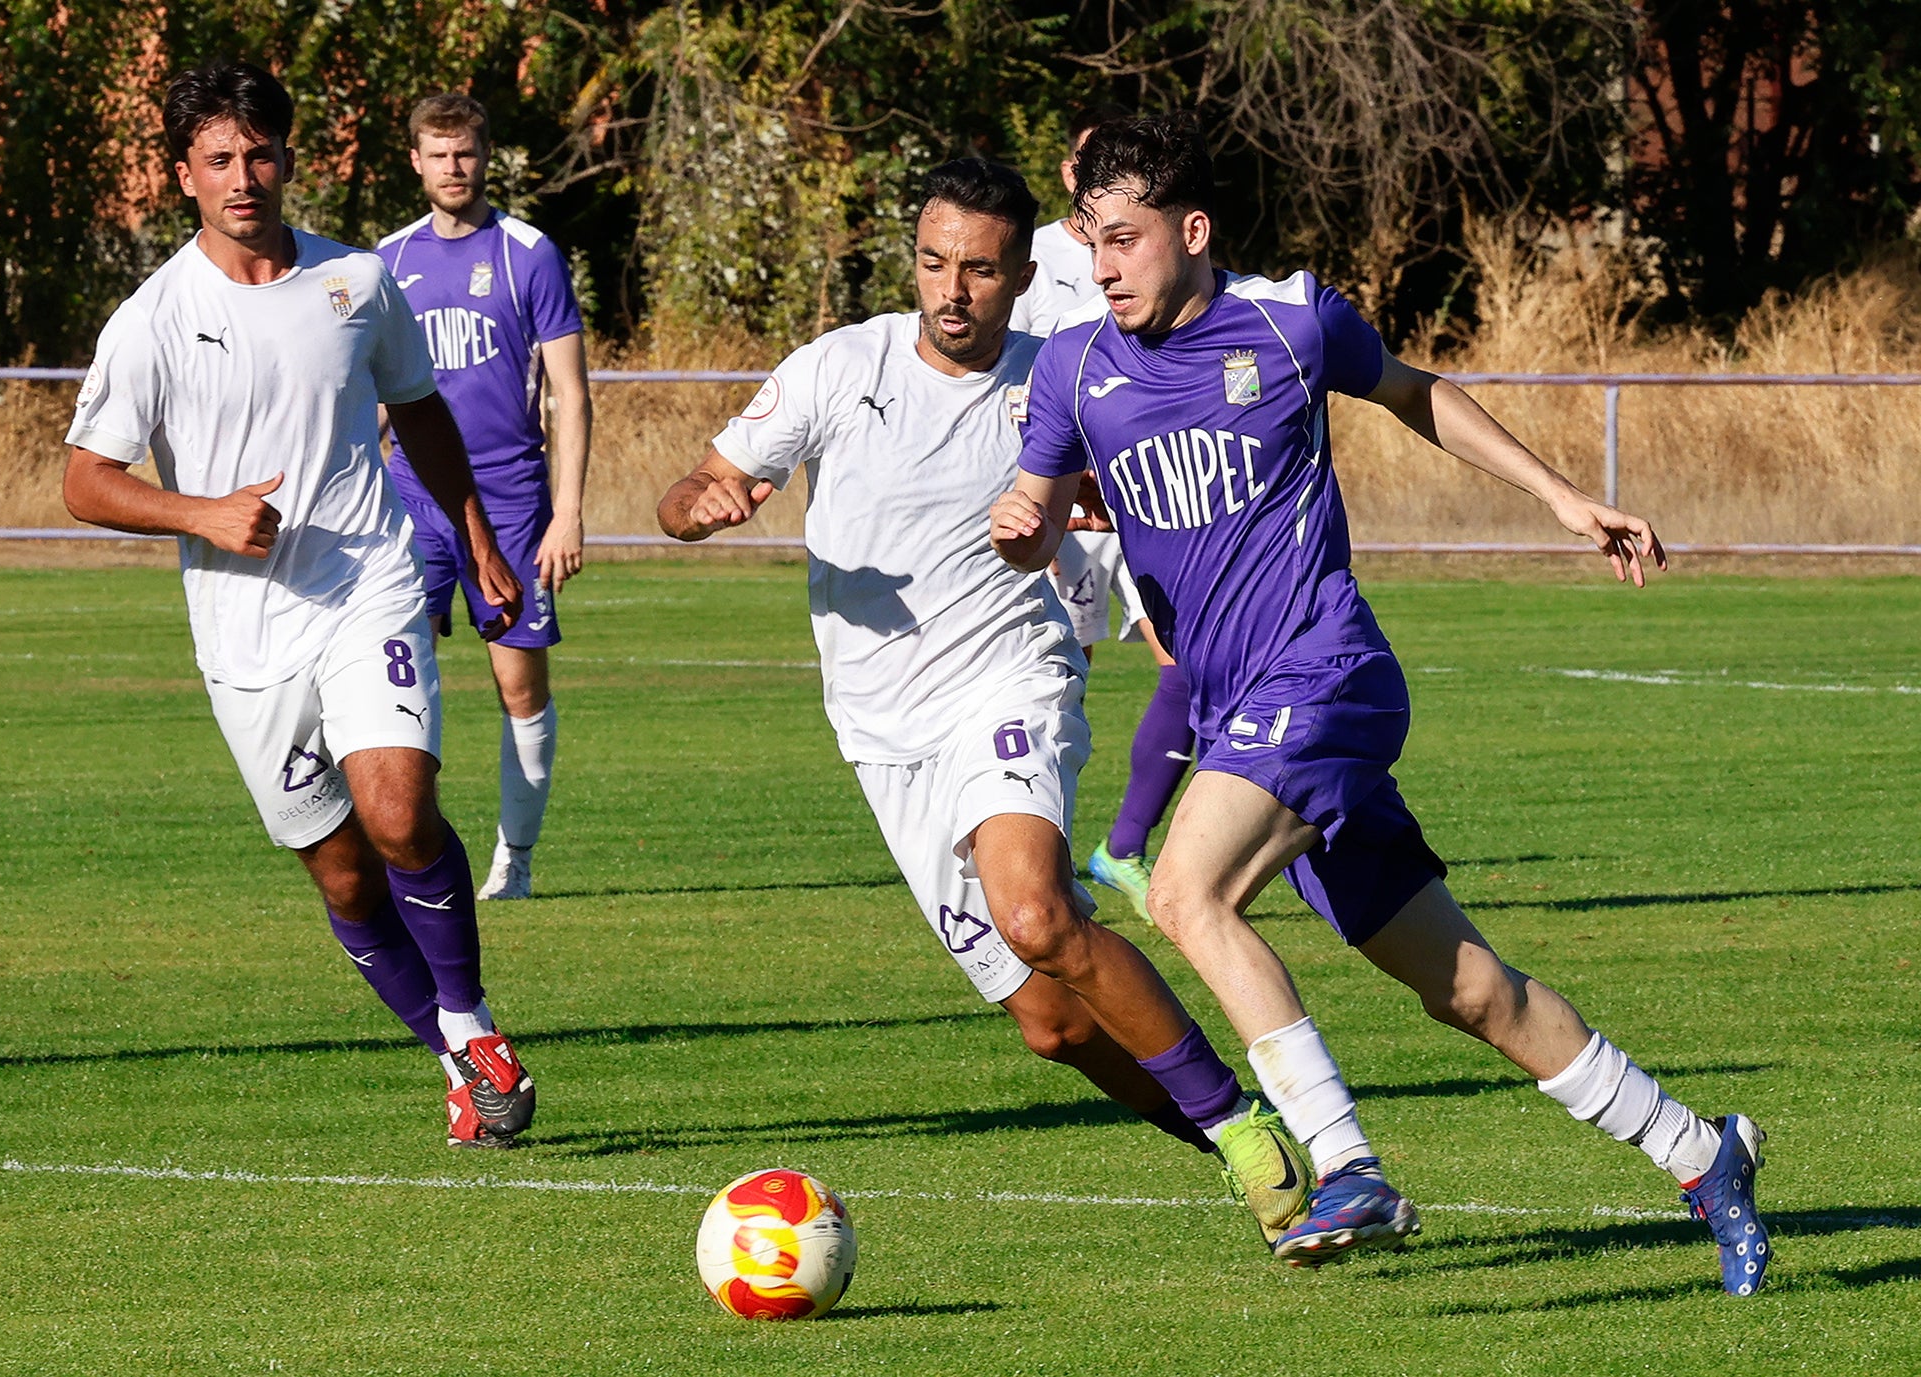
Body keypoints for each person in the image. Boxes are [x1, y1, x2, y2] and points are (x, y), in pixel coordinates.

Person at [993, 114, 1771, 1291]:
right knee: (1468, 989)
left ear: (1191, 232)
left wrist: (1561, 499)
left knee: (1181, 891)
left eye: (1125, 240)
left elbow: (1417, 394)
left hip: (1325, 676)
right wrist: (1021, 530)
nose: (1102, 268)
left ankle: (1344, 1161)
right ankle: (1699, 1153)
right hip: (1237, 715)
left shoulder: (1291, 318)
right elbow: (1036, 509)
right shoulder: (1072, 366)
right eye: (1091, 242)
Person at [657, 157, 1315, 1245]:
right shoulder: (837, 368)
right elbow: (682, 493)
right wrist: (707, 502)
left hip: (1009, 680)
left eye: (977, 269)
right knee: (1053, 1025)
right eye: (931, 263)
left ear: (1020, 275)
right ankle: (1226, 1130)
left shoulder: (1061, 375)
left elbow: (1165, 467)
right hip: (881, 733)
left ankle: (1253, 1141)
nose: (949, 289)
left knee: (1035, 912)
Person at [62, 60, 537, 1149]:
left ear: (290, 156)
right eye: (219, 160)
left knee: (399, 811)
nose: (243, 177)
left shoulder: (356, 284)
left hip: (365, 583)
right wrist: (200, 514)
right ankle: (458, 1062)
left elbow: (418, 413)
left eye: (260, 153)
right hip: (244, 632)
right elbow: (85, 480)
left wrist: (477, 545)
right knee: (337, 866)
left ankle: (471, 1025)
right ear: (183, 173)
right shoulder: (153, 320)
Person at [376, 92, 593, 902]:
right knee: (400, 672)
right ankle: (412, 851)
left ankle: (518, 860)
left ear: (484, 155)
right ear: (416, 162)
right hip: (411, 499)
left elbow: (571, 394)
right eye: (438, 154)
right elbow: (368, 396)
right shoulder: (387, 261)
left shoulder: (527, 254)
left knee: (518, 688)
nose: (453, 167)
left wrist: (566, 511)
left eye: (465, 152)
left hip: (510, 503)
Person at [1013, 105, 1196, 921]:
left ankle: (1122, 846)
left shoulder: (1147, 246)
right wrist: (1043, 493)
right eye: (1094, 165)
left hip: (1146, 496)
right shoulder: (1036, 260)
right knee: (1064, 680)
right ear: (1068, 177)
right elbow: (1012, 385)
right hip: (1070, 510)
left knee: (1186, 670)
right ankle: (1041, 858)